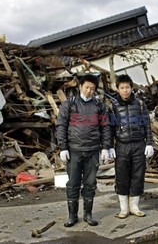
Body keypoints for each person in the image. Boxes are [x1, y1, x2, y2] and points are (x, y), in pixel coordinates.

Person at [56, 74, 110, 227]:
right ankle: (72, 215)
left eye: (92, 89)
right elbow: (61, 126)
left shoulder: (100, 106)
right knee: (73, 183)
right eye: (86, 87)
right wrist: (63, 148)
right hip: (74, 151)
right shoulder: (69, 104)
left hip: (92, 151)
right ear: (80, 87)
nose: (89, 91)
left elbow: (105, 127)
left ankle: (88, 214)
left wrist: (106, 147)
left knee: (90, 183)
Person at [109, 74, 154, 219]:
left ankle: (134, 207)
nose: (125, 90)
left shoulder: (140, 105)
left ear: (131, 87)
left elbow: (147, 124)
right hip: (121, 145)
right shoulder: (114, 106)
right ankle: (124, 209)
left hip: (138, 144)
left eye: (127, 87)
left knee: (138, 175)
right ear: (117, 89)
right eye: (121, 88)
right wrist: (109, 146)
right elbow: (110, 127)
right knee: (122, 176)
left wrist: (149, 143)